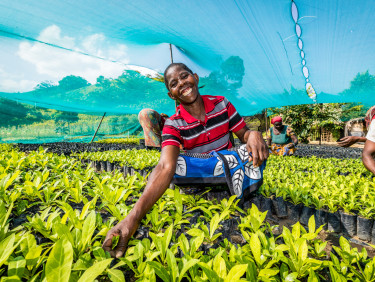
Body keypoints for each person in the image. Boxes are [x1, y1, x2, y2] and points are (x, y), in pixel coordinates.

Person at [102, 63, 269, 258]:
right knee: (176, 166)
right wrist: (133, 217)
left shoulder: (222, 104)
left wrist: (254, 134)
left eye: (184, 76)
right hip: (204, 168)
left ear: (195, 78)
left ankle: (218, 180)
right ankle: (223, 181)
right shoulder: (173, 124)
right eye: (174, 83)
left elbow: (244, 134)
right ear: (172, 94)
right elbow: (165, 165)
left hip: (227, 162)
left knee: (255, 150)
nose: (182, 83)